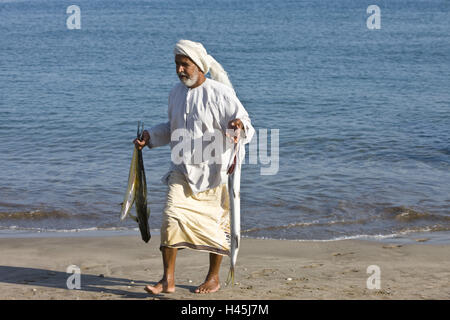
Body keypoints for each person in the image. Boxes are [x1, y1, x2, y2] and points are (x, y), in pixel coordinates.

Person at [134, 40, 254, 294]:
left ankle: (213, 277)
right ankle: (167, 279)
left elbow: (246, 124)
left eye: (184, 65)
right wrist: (150, 136)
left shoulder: (220, 93)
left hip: (216, 172)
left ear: (199, 66)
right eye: (177, 64)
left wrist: (238, 126)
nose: (179, 70)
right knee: (170, 218)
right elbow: (172, 128)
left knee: (216, 227)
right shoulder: (175, 93)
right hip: (182, 170)